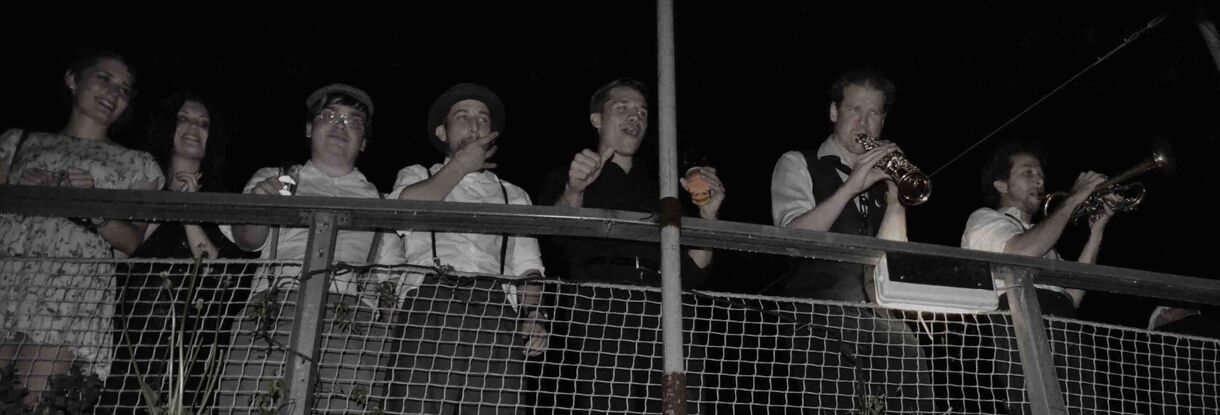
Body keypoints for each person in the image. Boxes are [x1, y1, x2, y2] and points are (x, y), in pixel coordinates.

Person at [538, 78, 725, 412]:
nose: (635, 117)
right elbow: (557, 232)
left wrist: (708, 215)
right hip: (602, 305)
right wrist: (574, 188)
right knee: (608, 403)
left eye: (642, 112)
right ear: (597, 119)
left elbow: (695, 269)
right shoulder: (570, 174)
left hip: (667, 304)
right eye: (622, 108)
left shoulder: (664, 185)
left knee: (682, 403)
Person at [215, 83, 403, 413]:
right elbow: (247, 241)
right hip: (275, 308)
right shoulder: (274, 177)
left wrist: (379, 337)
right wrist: (261, 204)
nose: (340, 126)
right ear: (308, 128)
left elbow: (390, 286)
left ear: (364, 142)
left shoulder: (381, 201)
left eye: (353, 121)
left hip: (353, 324)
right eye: (328, 116)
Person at [0, 49, 164, 407]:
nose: (113, 93)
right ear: (73, 79)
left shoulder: (137, 164)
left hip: (68, 295)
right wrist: (17, 194)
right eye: (104, 78)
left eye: (124, 89)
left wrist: (92, 208)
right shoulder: (18, 142)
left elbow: (131, 242)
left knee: (34, 402)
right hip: (9, 277)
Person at [769, 67, 932, 413]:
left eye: (873, 114)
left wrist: (894, 196)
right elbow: (793, 238)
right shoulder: (798, 163)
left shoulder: (881, 177)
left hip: (880, 317)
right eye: (854, 110)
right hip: (818, 318)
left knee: (914, 389)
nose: (863, 123)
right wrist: (851, 186)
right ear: (834, 112)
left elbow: (894, 258)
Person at [382, 82, 547, 414]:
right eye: (463, 117)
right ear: (442, 132)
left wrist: (534, 315)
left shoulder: (514, 194)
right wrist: (459, 165)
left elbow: (528, 265)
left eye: (483, 119)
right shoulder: (416, 174)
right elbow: (401, 214)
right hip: (431, 300)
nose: (474, 126)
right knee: (416, 406)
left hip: (495, 308)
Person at [101, 91, 254, 412]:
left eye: (203, 123)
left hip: (193, 343)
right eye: (183, 119)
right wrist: (167, 201)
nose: (193, 128)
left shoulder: (224, 200)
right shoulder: (142, 185)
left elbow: (222, 276)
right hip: (131, 336)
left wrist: (189, 212)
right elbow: (122, 251)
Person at [961, 138, 1114, 413]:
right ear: (1001, 185)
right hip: (1020, 324)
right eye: (1028, 173)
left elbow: (1071, 296)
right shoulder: (985, 219)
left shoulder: (1044, 239)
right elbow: (1022, 253)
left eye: (1041, 174)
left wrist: (1097, 232)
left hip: (1065, 327)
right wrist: (1073, 199)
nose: (1039, 180)